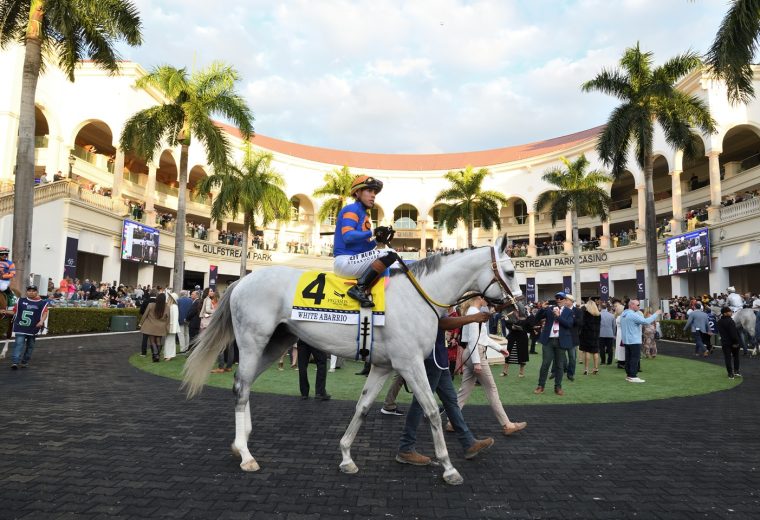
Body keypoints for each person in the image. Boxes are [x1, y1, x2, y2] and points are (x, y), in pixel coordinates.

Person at [396, 310, 496, 466]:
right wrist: (474, 318)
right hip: (433, 358)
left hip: (439, 358)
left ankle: (468, 443)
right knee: (421, 403)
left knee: (451, 401)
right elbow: (442, 323)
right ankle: (405, 448)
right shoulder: (433, 298)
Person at [452, 293, 527, 436]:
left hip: (470, 353)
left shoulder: (472, 312)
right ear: (479, 298)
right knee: (491, 389)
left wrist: (499, 348)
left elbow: (482, 338)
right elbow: (475, 340)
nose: (488, 300)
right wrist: (477, 362)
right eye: (485, 297)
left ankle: (451, 421)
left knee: (464, 391)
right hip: (476, 354)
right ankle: (507, 424)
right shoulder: (474, 313)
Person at [333, 175, 399, 308]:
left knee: (391, 262)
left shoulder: (364, 216)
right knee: (389, 254)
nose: (373, 195)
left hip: (355, 260)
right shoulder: (352, 209)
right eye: (369, 191)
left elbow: (364, 250)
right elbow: (348, 236)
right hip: (344, 261)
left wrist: (377, 240)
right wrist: (373, 232)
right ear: (357, 193)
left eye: (374, 192)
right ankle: (358, 289)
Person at [534, 292, 575, 396]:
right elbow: (536, 319)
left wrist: (558, 317)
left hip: (561, 341)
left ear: (565, 300)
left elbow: (569, 325)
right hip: (548, 340)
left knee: (560, 365)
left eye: (561, 298)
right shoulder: (549, 309)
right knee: (545, 363)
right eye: (557, 297)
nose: (559, 299)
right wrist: (542, 309)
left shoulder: (569, 311)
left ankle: (558, 387)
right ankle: (541, 386)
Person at [619, 299, 662, 383]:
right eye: (637, 305)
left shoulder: (624, 313)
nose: (639, 306)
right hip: (634, 340)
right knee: (634, 358)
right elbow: (646, 321)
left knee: (628, 358)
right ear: (631, 305)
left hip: (627, 340)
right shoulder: (632, 315)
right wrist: (656, 314)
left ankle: (629, 375)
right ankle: (632, 376)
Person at [9, 285, 49, 369]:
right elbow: (14, 312)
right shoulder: (20, 301)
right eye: (29, 290)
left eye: (33, 291)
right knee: (18, 344)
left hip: (33, 328)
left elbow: (45, 313)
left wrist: (41, 321)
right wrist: (5, 311)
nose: (31, 292)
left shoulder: (42, 303)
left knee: (30, 346)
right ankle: (15, 362)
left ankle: (25, 361)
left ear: (37, 292)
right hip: (20, 327)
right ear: (26, 292)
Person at [138, 292, 169, 362]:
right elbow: (168, 318)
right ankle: (157, 355)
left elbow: (145, 315)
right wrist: (166, 326)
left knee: (152, 341)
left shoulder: (151, 305)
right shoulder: (167, 307)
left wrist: (140, 323)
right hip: (161, 327)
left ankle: (155, 355)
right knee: (158, 341)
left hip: (151, 326)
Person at [501, 307, 529, 378]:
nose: (515, 312)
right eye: (514, 311)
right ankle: (505, 371)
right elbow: (507, 324)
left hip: (522, 337)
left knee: (522, 355)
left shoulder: (525, 316)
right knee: (509, 353)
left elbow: (528, 326)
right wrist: (511, 327)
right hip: (512, 336)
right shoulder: (510, 316)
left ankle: (521, 372)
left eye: (517, 311)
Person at [716, 307, 742, 378]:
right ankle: (736, 371)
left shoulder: (719, 322)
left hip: (725, 342)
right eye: (729, 311)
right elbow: (733, 334)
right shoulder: (730, 321)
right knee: (736, 357)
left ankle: (730, 374)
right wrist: (736, 342)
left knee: (727, 358)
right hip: (733, 343)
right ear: (725, 313)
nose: (731, 312)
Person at [579, 298, 601, 375]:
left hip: (586, 334)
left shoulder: (586, 314)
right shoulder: (598, 315)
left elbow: (582, 323)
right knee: (595, 352)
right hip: (596, 335)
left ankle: (586, 369)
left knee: (587, 351)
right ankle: (596, 368)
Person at [163, 292, 181, 361]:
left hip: (172, 327)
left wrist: (173, 329)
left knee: (170, 341)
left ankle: (169, 355)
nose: (168, 298)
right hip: (169, 326)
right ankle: (168, 354)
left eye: (170, 297)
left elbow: (175, 318)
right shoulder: (170, 306)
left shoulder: (174, 306)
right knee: (168, 340)